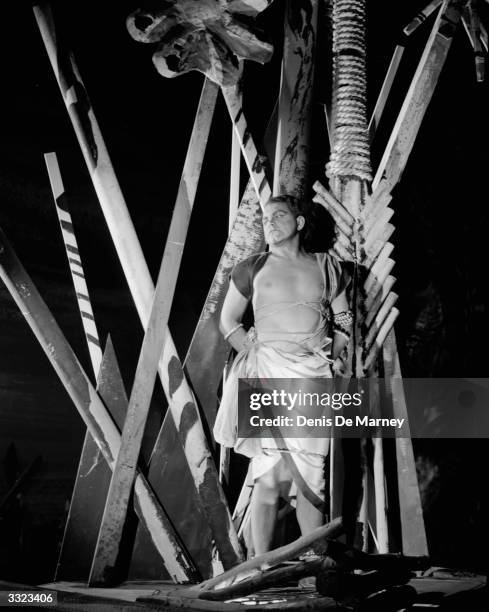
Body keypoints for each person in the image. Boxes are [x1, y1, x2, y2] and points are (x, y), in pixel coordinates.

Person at [213, 195, 352, 555]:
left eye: (279, 215)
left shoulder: (327, 265)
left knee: (311, 475)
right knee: (268, 473)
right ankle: (261, 564)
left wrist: (331, 357)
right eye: (265, 218)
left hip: (313, 377)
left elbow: (344, 321)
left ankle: (315, 563)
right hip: (266, 374)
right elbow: (228, 321)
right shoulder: (251, 268)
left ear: (300, 223)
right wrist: (254, 351)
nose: (269, 222)